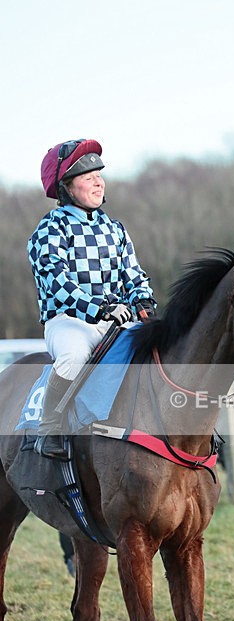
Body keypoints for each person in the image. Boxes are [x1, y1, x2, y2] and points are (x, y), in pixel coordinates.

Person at [28, 138, 157, 460]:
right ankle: (50, 429)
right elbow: (57, 282)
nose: (98, 182)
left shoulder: (114, 228)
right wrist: (99, 308)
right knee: (73, 357)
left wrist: (143, 301)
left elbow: (133, 273)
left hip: (118, 319)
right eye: (88, 178)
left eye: (100, 174)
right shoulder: (50, 228)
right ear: (66, 188)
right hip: (69, 322)